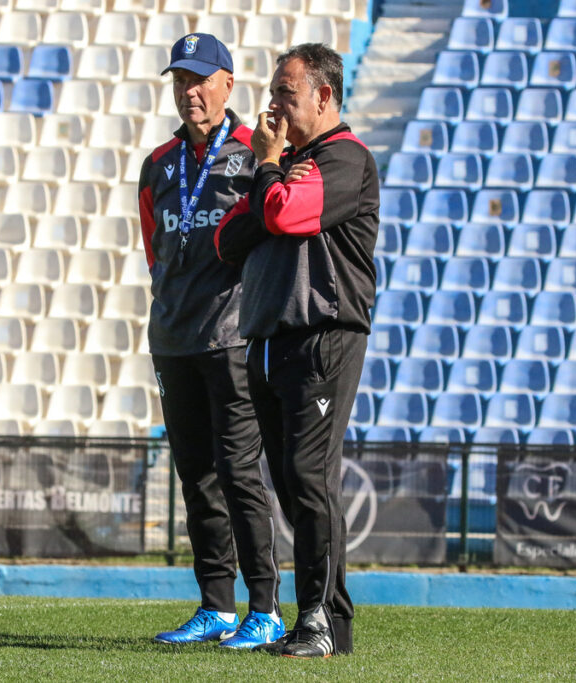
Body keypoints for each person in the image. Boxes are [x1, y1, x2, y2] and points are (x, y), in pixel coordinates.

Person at [214, 43, 380, 658]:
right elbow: (227, 239)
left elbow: (281, 215)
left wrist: (266, 173)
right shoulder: (292, 162)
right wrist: (271, 185)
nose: (273, 103)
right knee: (289, 482)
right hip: (271, 335)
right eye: (274, 91)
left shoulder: (343, 158)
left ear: (324, 97)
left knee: (310, 478)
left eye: (286, 92)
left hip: (322, 334)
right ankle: (310, 618)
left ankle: (326, 622)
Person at [137, 33, 285, 649]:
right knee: (195, 477)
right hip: (173, 337)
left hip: (231, 337)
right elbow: (154, 248)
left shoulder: (256, 153)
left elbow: (277, 226)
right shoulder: (157, 164)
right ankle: (216, 605)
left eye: (200, 80)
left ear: (228, 84)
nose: (189, 91)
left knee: (240, 475)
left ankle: (266, 608)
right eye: (179, 81)